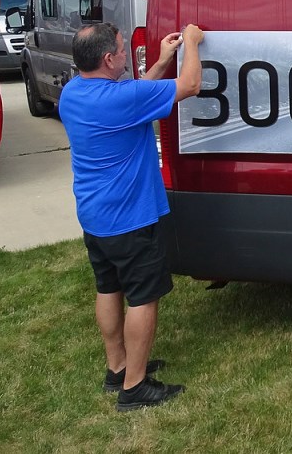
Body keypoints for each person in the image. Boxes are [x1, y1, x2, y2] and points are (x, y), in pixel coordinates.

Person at [60, 22, 205, 412]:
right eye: (123, 50)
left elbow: (136, 96)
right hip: (130, 219)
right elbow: (190, 85)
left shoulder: (73, 94)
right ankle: (135, 386)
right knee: (143, 297)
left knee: (109, 289)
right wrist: (191, 44)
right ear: (109, 59)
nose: (127, 55)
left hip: (95, 217)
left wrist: (160, 61)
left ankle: (117, 368)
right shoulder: (117, 100)